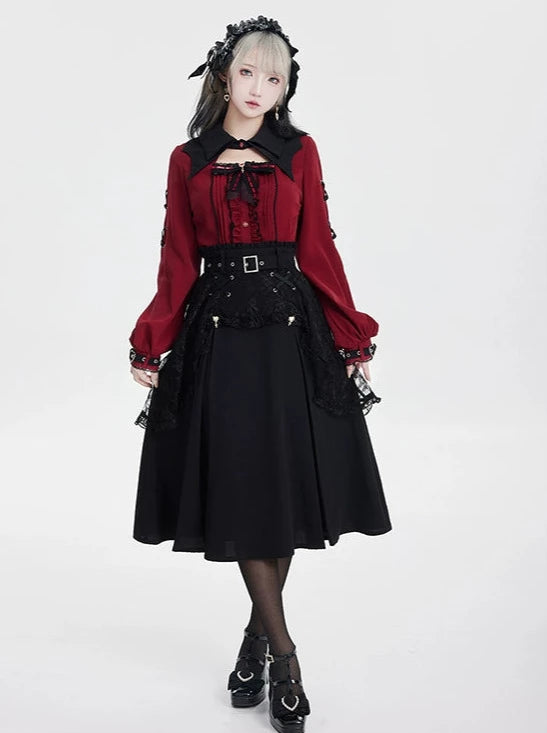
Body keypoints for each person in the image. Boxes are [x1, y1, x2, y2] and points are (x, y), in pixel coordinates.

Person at [128, 15, 392, 733]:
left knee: (276, 484)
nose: (257, 88)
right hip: (216, 332)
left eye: (273, 78)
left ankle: (257, 644)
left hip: (290, 332)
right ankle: (286, 656)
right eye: (247, 72)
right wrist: (152, 341)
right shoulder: (187, 159)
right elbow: (176, 258)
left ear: (283, 90)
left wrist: (348, 329)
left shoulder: (298, 152)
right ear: (224, 75)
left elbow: (318, 248)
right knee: (244, 482)